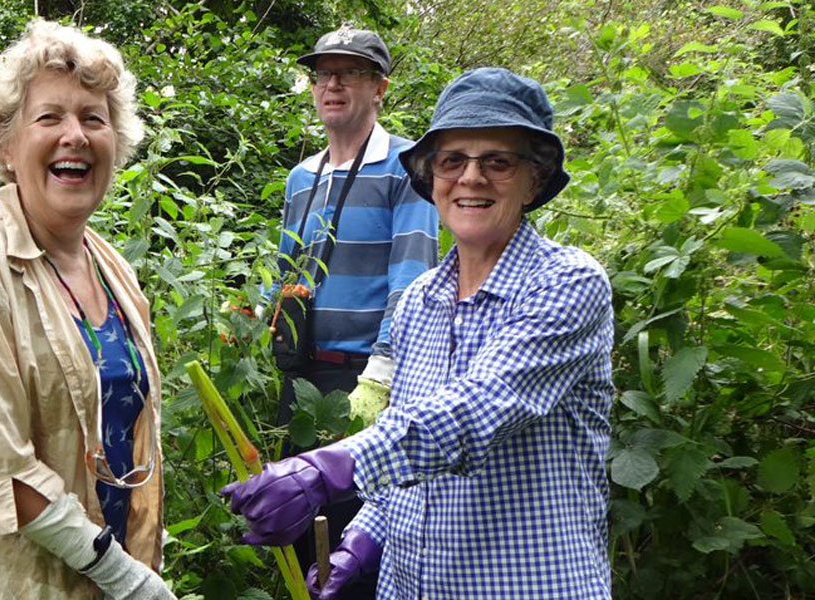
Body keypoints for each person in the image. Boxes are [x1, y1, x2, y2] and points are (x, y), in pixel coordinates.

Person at [225, 67, 615, 599]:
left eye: (497, 161)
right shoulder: (418, 303)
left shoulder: (566, 282)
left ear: (535, 179)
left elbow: (474, 412)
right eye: (453, 161)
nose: (471, 178)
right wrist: (358, 545)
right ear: (431, 178)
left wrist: (325, 469)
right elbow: (405, 459)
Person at [0, 20, 174, 600]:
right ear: (6, 145)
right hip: (1, 582)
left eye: (93, 119)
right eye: (49, 117)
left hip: (101, 578)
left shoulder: (111, 267)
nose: (74, 135)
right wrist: (120, 574)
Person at [267, 25, 439, 595]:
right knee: (295, 525)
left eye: (350, 72)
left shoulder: (407, 170)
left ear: (380, 87)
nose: (332, 84)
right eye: (323, 73)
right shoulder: (302, 177)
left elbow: (411, 281)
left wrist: (382, 378)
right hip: (300, 375)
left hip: (362, 379)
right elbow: (288, 274)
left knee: (353, 543)